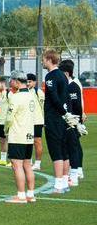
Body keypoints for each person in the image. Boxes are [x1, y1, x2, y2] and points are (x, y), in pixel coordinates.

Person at [3, 72, 37, 204]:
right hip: (29, 135)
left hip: (18, 135)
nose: (10, 82)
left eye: (11, 80)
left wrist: (5, 129)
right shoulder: (31, 96)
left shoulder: (16, 97)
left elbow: (10, 117)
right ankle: (31, 194)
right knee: (27, 164)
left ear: (17, 81)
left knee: (17, 165)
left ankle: (21, 195)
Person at [41, 50, 72, 193]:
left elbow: (54, 97)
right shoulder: (63, 76)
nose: (42, 62)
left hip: (54, 118)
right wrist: (68, 115)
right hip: (64, 118)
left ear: (48, 59)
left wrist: (63, 113)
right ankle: (65, 182)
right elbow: (66, 97)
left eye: (43, 59)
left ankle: (58, 185)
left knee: (56, 151)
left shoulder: (51, 76)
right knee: (64, 150)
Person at [62, 58, 85, 186]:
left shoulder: (73, 86)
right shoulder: (69, 85)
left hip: (73, 121)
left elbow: (76, 106)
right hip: (70, 121)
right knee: (72, 146)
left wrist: (78, 122)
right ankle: (76, 171)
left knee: (73, 147)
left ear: (66, 73)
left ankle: (75, 175)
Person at [27, 73, 45, 170]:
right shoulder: (24, 92)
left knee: (37, 141)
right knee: (27, 141)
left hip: (37, 121)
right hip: (27, 122)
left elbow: (44, 107)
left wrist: (44, 120)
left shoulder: (39, 92)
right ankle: (28, 161)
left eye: (30, 81)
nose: (28, 83)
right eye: (27, 81)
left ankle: (37, 163)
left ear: (34, 82)